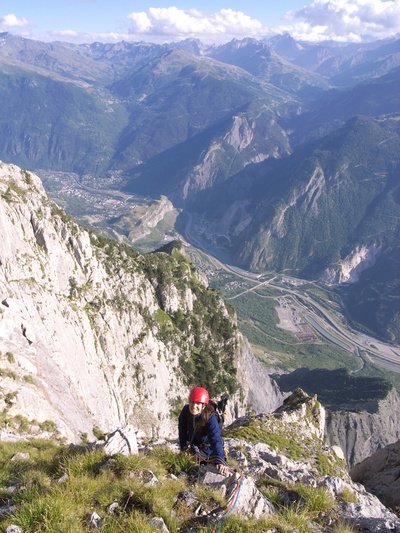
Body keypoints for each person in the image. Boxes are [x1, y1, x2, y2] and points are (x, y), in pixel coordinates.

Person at [178, 386, 229, 475]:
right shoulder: (186, 411)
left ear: (203, 406)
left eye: (198, 403)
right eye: (192, 402)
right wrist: (184, 448)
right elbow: (182, 429)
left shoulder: (210, 417)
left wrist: (220, 461)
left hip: (208, 447)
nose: (194, 406)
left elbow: (215, 438)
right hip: (195, 444)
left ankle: (222, 452)